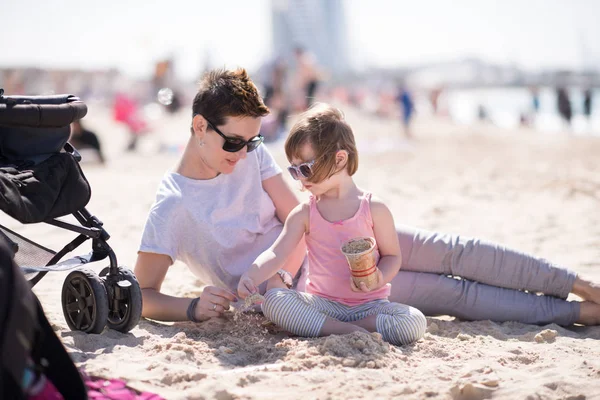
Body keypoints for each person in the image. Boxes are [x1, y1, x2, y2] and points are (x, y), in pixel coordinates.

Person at [134, 67, 600, 328]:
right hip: (318, 292)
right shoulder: (173, 207)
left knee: (455, 251)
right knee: (454, 294)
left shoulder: (252, 156)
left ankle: (580, 284)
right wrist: (191, 307)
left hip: (340, 233)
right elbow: (142, 294)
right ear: (198, 127)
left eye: (252, 141)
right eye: (234, 141)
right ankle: (578, 312)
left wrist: (336, 233)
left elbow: (296, 212)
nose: (245, 152)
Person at [236, 104, 427, 345]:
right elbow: (277, 252)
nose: (301, 179)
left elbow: (392, 256)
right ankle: (344, 329)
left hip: (370, 307)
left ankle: (342, 329)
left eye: (306, 168)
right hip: (321, 304)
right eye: (294, 171)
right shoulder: (305, 213)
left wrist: (378, 277)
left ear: (339, 159)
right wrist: (252, 274)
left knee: (414, 321)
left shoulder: (374, 209)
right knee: (275, 300)